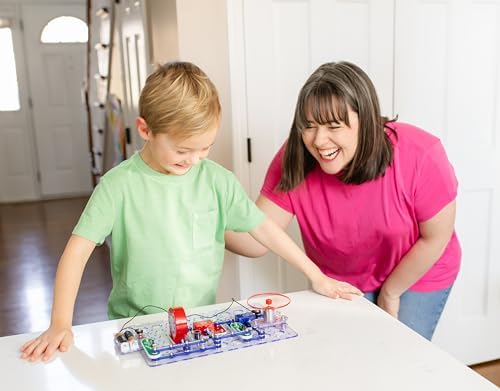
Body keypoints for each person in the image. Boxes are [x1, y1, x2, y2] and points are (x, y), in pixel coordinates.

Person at [20, 61, 361, 362]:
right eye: (183, 150)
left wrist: (317, 276)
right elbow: (76, 252)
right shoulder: (117, 185)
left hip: (199, 326)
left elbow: (264, 228)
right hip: (134, 326)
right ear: (145, 130)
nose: (195, 159)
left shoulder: (217, 180)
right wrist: (60, 323)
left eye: (205, 148)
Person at [225, 61, 461, 341]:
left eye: (333, 126)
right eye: (309, 126)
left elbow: (436, 237)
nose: (319, 141)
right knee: (348, 356)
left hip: (416, 271)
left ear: (367, 121)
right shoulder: (296, 157)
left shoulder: (420, 153)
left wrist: (390, 292)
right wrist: (201, 218)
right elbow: (255, 238)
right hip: (342, 278)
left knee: (402, 356)